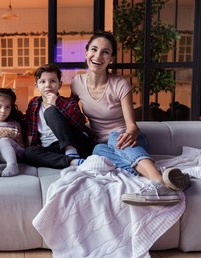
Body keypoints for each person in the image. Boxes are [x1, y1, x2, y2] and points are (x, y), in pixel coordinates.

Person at [70, 31, 190, 206]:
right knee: (97, 152)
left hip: (130, 141)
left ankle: (159, 183)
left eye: (105, 52)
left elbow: (131, 126)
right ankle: (169, 180)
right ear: (86, 52)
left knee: (114, 137)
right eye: (94, 49)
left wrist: (130, 134)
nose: (98, 56)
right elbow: (71, 115)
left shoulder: (120, 84)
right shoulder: (76, 83)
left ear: (111, 59)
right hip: (104, 147)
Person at [23, 63, 95, 169]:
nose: (48, 85)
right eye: (43, 82)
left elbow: (80, 123)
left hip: (76, 142)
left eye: (52, 81)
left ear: (60, 84)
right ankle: (73, 162)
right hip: (54, 148)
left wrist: (57, 102)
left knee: (50, 112)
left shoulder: (69, 102)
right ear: (37, 85)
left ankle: (70, 151)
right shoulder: (33, 104)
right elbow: (30, 130)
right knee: (28, 153)